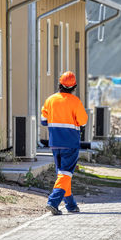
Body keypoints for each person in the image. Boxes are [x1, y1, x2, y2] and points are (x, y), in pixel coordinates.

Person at [41, 71, 88, 215]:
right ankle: (53, 202)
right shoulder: (75, 102)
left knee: (62, 174)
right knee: (66, 174)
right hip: (70, 143)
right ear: (74, 87)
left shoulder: (50, 100)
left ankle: (71, 205)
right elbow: (83, 121)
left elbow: (43, 121)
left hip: (55, 143)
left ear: (59, 84)